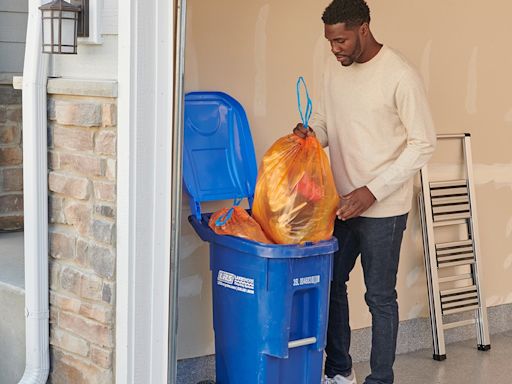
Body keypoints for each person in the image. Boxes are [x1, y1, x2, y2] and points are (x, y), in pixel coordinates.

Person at [294, 0, 436, 383]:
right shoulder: (332, 67)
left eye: (340, 40)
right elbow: (328, 120)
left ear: (363, 29)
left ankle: (380, 379)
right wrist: (311, 135)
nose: (334, 48)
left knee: (379, 297)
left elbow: (424, 144)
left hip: (383, 209)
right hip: (338, 203)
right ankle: (339, 372)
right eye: (329, 41)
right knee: (331, 285)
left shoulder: (399, 75)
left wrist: (371, 192)